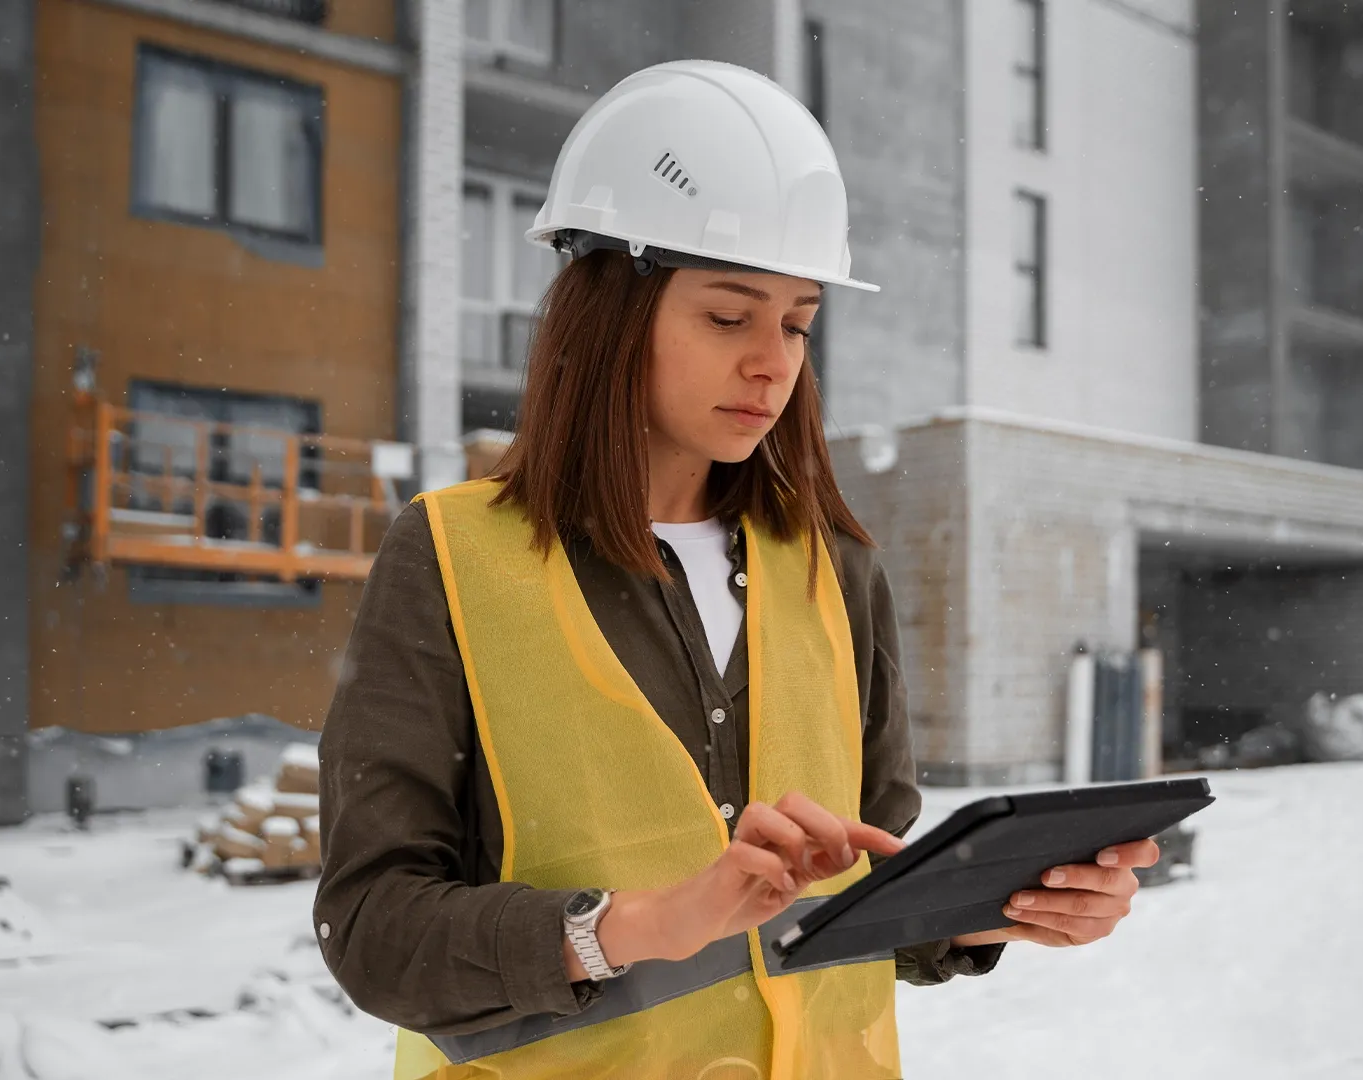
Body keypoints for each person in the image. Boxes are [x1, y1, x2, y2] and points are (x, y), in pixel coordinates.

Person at [313, 59, 1160, 1080]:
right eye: (728, 315)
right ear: (611, 313)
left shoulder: (837, 573)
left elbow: (863, 893)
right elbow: (376, 932)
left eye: (798, 322)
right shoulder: (450, 557)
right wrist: (633, 923)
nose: (773, 361)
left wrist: (998, 908)